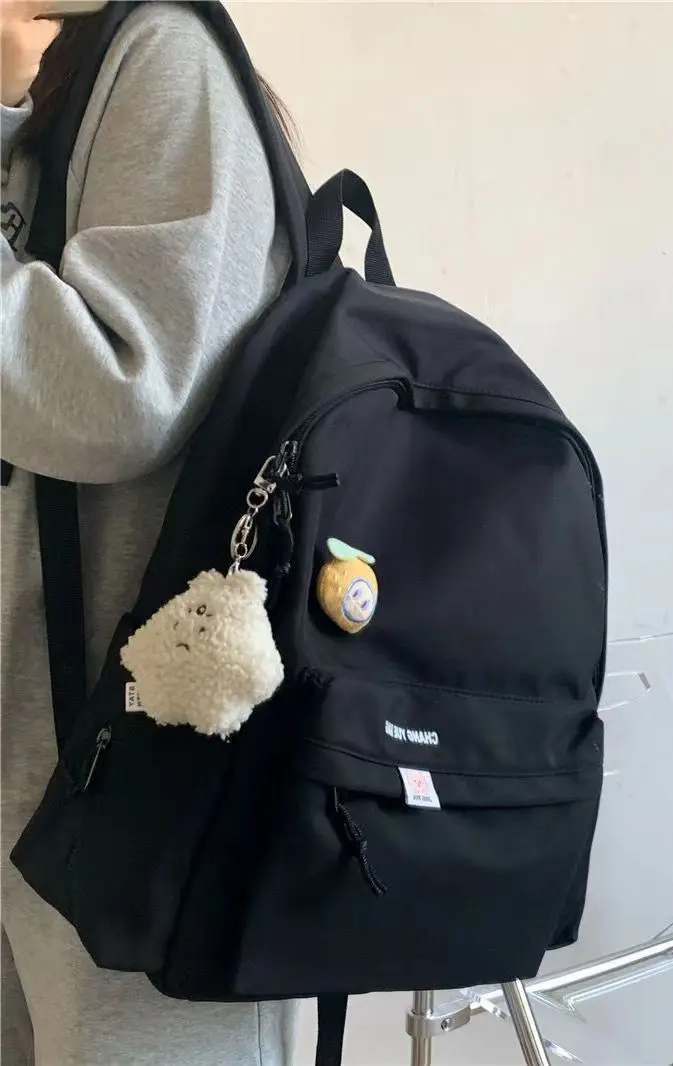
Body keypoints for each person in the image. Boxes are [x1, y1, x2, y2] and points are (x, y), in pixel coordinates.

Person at [1, 2, 296, 1063]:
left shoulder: (164, 57)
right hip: (35, 760)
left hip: (129, 786)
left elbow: (118, 396)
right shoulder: (42, 89)